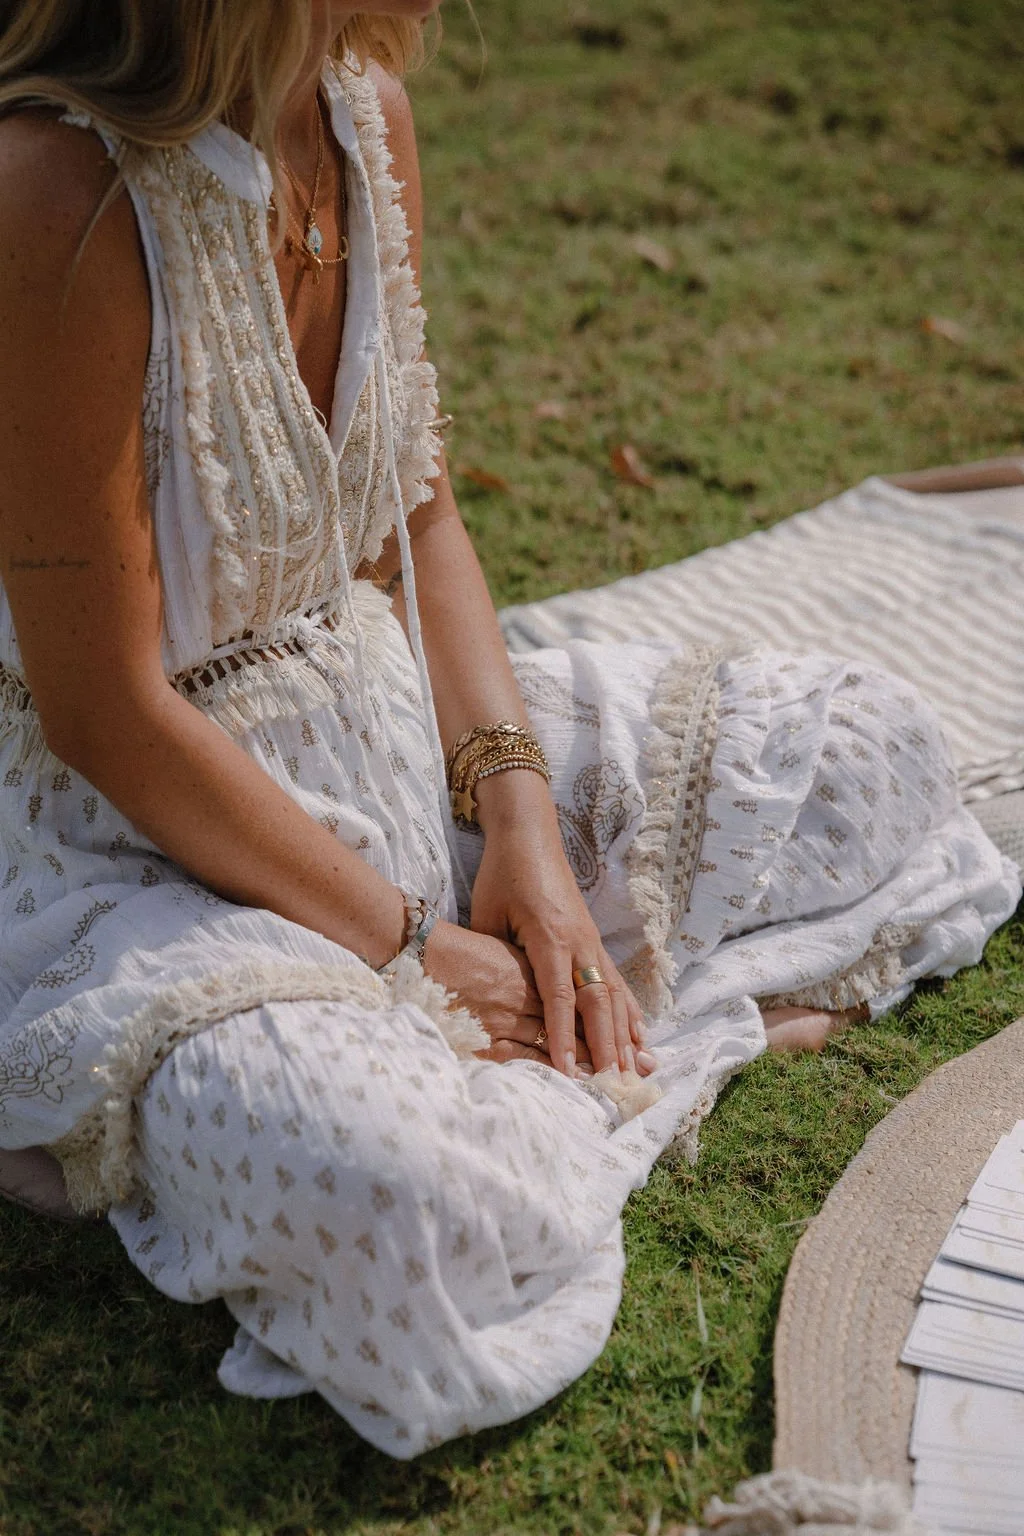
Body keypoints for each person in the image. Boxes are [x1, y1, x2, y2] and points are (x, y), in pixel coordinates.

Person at [0, 0, 1016, 1458]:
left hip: (394, 741)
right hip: (148, 848)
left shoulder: (360, 115)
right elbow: (108, 716)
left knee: (877, 749)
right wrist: (416, 947)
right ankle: (631, 1050)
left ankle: (553, 1056)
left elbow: (420, 512)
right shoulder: (56, 192)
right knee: (396, 1195)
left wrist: (523, 834)